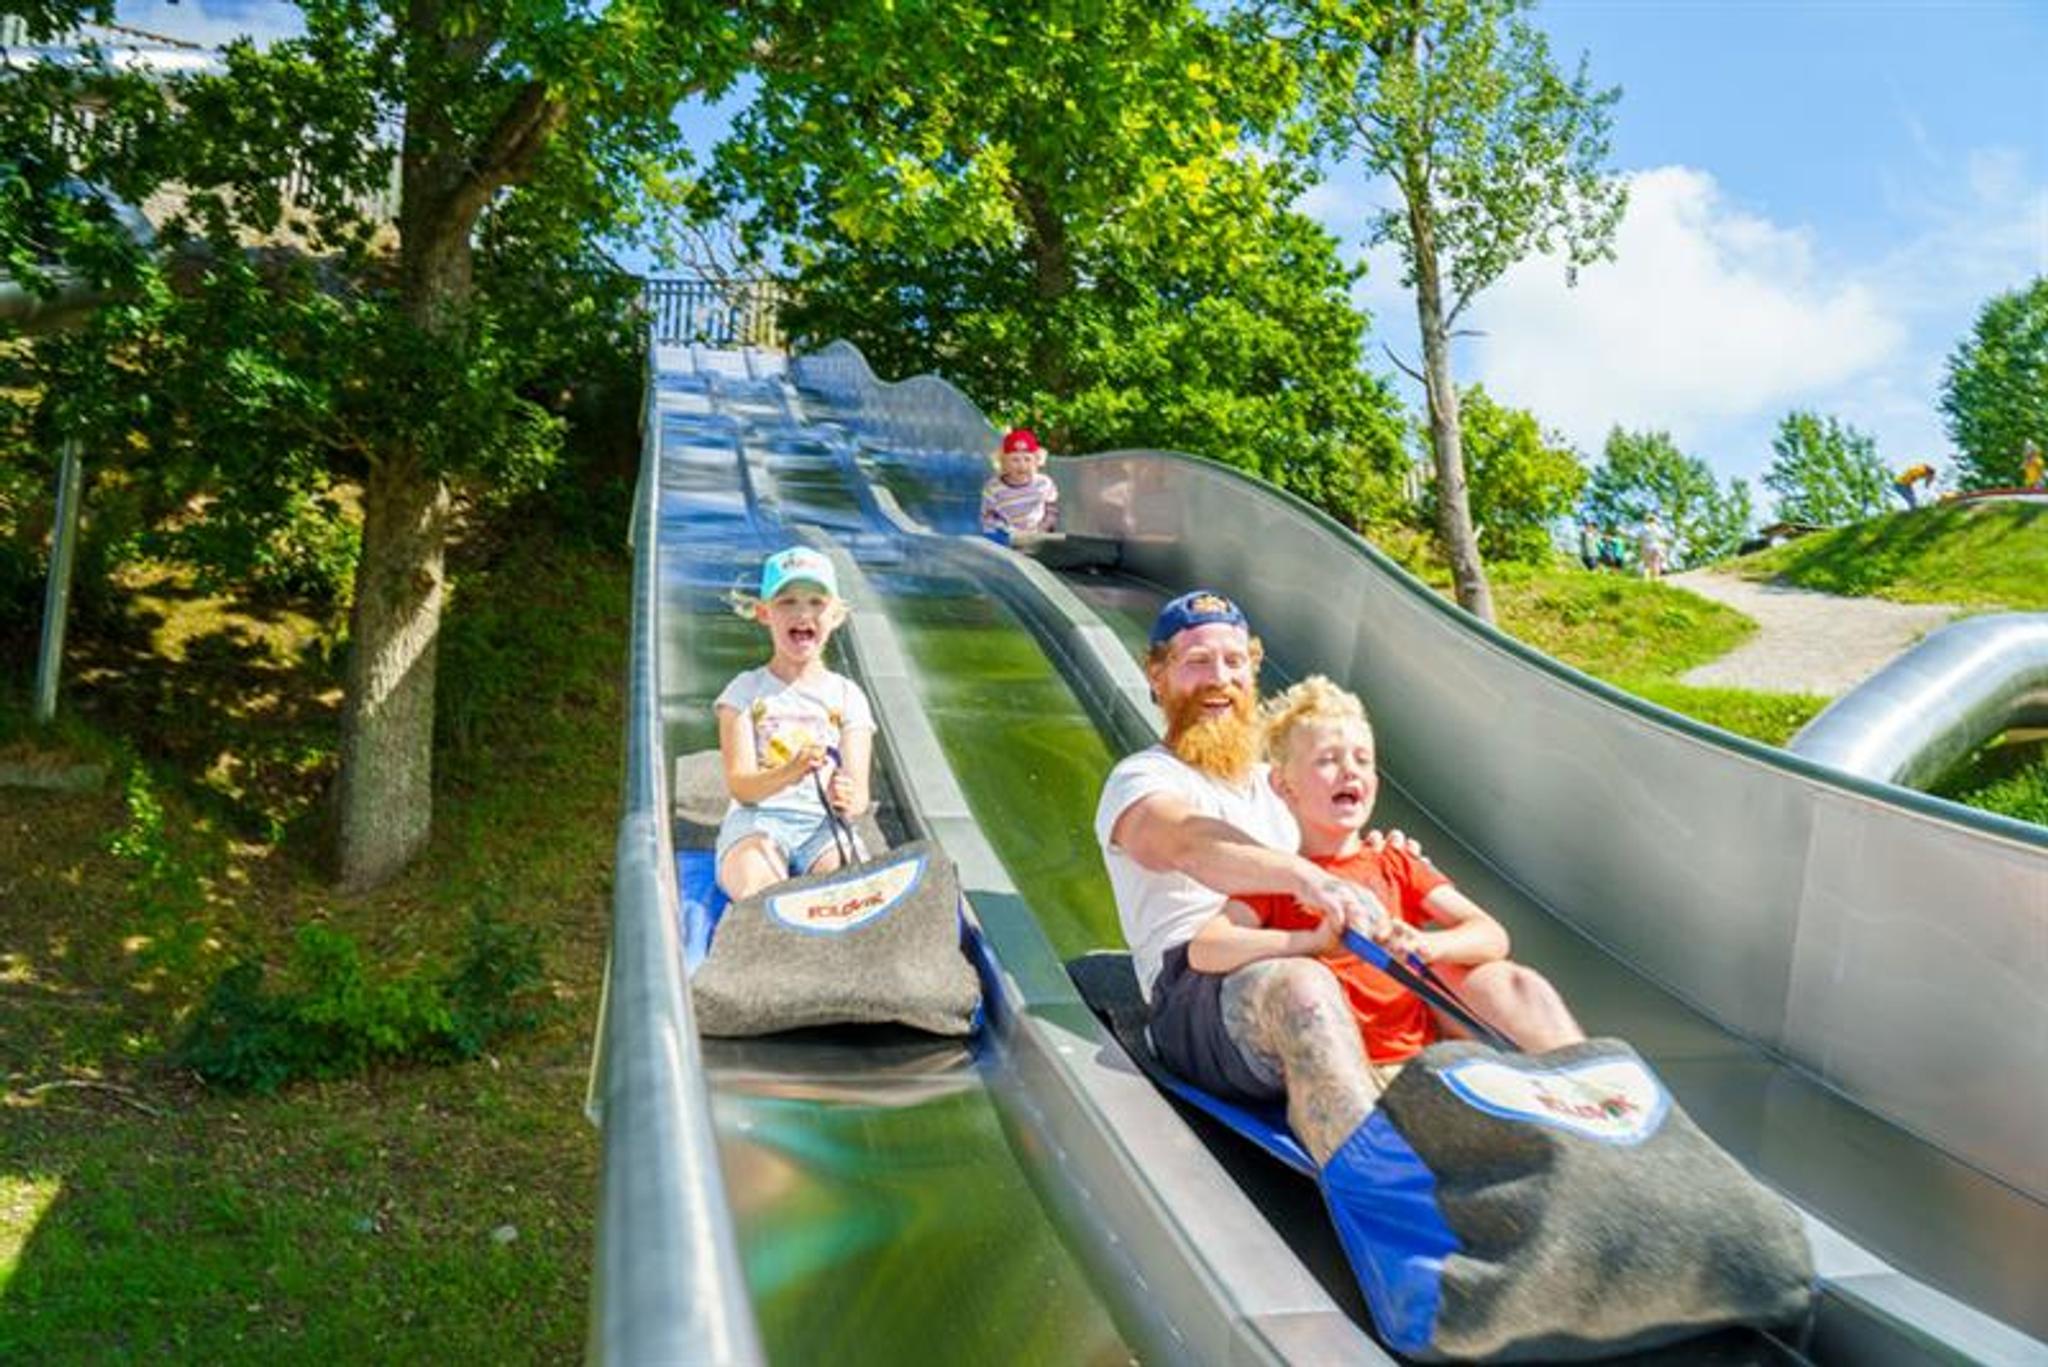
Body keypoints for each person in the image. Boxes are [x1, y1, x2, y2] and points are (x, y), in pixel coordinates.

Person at [1094, 591, 1575, 1165]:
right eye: (1196, 661)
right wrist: (1306, 879)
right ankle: (1378, 1175)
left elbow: (1343, 842)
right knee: (1300, 985)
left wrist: (1374, 854)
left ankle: (1596, 1129)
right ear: (1158, 675)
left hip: (1327, 957)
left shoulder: (1283, 781)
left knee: (1501, 984)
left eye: (1233, 661)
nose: (1217, 679)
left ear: (1252, 670)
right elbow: (1187, 843)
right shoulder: (1144, 779)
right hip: (1197, 994)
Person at [1189, 677, 1583, 1126]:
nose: (1350, 771)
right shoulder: (1284, 879)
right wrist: (1309, 941)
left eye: (1362, 760)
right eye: (1327, 761)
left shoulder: (1396, 862)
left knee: (1519, 983)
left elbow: (1491, 935)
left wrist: (1427, 945)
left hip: (1423, 1065)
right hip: (1348, 1077)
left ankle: (1591, 1097)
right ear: (1284, 785)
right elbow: (1207, 947)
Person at [714, 546, 875, 899]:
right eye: (787, 601)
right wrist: (792, 771)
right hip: (757, 822)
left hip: (823, 826)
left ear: (836, 615)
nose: (803, 613)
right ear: (764, 613)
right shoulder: (743, 692)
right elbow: (741, 787)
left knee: (853, 895)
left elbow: (860, 794)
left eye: (816, 602)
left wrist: (848, 798)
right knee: (760, 891)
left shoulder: (849, 697)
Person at [980, 427, 1059, 539]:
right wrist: (1008, 531)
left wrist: (1042, 529)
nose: (1022, 465)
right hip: (1005, 536)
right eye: (1015, 460)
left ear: (1037, 461)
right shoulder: (993, 487)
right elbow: (988, 516)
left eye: (1027, 459)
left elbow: (1052, 510)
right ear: (1003, 463)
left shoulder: (1043, 483)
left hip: (1038, 534)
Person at [1637, 511, 1670, 580]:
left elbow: (1640, 539)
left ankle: (1646, 579)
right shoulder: (1657, 528)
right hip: (1656, 546)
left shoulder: (1644, 528)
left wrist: (1641, 549)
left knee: (1646, 564)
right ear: (1654, 520)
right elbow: (1664, 538)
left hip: (1647, 546)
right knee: (1656, 562)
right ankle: (1656, 579)